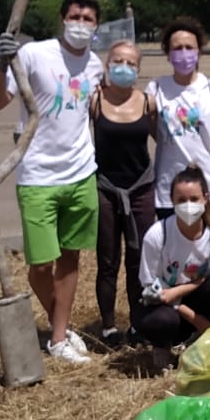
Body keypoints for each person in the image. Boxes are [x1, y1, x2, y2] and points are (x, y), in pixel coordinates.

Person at [0, 0, 105, 365]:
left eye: (88, 19)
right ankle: (61, 323)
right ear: (62, 18)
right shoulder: (34, 54)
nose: (81, 24)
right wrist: (1, 64)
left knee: (70, 259)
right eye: (75, 16)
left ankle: (57, 337)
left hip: (81, 172)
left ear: (96, 25)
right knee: (40, 265)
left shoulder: (96, 65)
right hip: (37, 173)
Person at [90, 39, 155, 349]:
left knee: (138, 259)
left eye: (131, 64)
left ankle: (137, 323)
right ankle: (108, 327)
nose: (124, 68)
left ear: (139, 70)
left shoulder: (147, 102)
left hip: (142, 187)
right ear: (107, 65)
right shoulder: (94, 101)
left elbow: (167, 140)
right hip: (105, 188)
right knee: (108, 261)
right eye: (118, 61)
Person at [132, 167, 210, 349]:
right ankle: (163, 347)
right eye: (181, 200)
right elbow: (153, 289)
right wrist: (199, 322)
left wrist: (176, 292)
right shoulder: (157, 234)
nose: (188, 205)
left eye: (194, 199)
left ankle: (203, 342)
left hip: (193, 300)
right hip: (162, 305)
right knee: (160, 320)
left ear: (205, 198)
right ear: (171, 200)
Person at [146, 17, 210, 222]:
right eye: (177, 48)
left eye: (189, 47)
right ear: (168, 54)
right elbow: (153, 129)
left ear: (199, 51)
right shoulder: (156, 88)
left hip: (209, 188)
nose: (183, 53)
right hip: (169, 192)